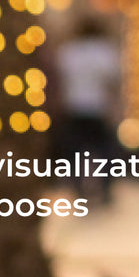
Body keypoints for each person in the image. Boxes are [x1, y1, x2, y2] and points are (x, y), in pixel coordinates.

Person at [54, 16, 123, 205]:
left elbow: (61, 82)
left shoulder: (69, 52)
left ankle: (79, 187)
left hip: (74, 107)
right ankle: (105, 187)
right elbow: (112, 84)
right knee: (105, 151)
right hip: (98, 108)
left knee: (75, 152)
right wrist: (115, 108)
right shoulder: (105, 52)